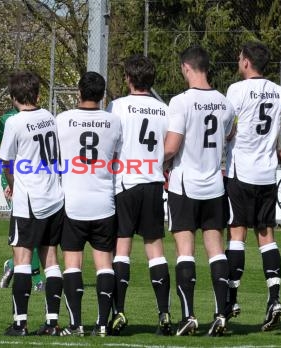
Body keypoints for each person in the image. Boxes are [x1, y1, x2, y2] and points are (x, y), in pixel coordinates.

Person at [224, 41, 281, 331]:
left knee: (237, 235)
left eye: (239, 57)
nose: (238, 60)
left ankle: (231, 299)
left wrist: (230, 136)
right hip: (267, 174)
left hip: (241, 172)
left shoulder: (236, 90)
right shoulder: (279, 90)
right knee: (267, 237)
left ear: (246, 62)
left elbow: (225, 126)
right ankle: (274, 299)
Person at [164, 45, 235, 336]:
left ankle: (189, 316)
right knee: (216, 251)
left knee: (185, 252)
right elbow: (229, 133)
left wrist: (158, 163)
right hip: (214, 186)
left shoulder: (180, 102)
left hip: (185, 185)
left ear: (186, 68)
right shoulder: (225, 103)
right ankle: (221, 314)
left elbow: (171, 146)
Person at [106, 55, 172, 336]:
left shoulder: (117, 106)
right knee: (155, 251)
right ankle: (165, 314)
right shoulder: (164, 109)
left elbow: (109, 145)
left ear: (129, 79)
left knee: (121, 250)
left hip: (125, 183)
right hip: (154, 184)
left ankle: (119, 313)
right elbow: (171, 147)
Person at [0, 71, 64, 336]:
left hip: (29, 201)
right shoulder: (50, 117)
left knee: (22, 259)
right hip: (54, 198)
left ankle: (20, 323)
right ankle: (51, 323)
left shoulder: (15, 123)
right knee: (51, 260)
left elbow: (6, 163)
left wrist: (12, 184)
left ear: (14, 98)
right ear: (37, 94)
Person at [55, 71, 121, 337]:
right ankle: (103, 324)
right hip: (104, 200)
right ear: (102, 95)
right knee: (105, 264)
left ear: (78, 92)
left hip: (73, 200)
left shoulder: (63, 120)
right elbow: (117, 158)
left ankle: (75, 324)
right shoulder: (114, 121)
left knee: (72, 264)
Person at [0, 109, 43, 291]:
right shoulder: (8, 119)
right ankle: (38, 280)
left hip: (36, 179)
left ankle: (12, 265)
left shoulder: (42, 116)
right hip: (12, 178)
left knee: (37, 231)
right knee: (27, 231)